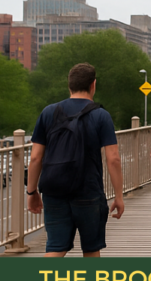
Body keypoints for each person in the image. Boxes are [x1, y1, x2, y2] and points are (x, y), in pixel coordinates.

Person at [26, 62, 124, 257]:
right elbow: (113, 159)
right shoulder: (101, 115)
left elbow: (36, 158)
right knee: (91, 249)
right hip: (88, 191)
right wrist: (119, 196)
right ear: (93, 85)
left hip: (55, 191)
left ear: (69, 85)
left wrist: (32, 192)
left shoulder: (48, 113)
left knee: (55, 247)